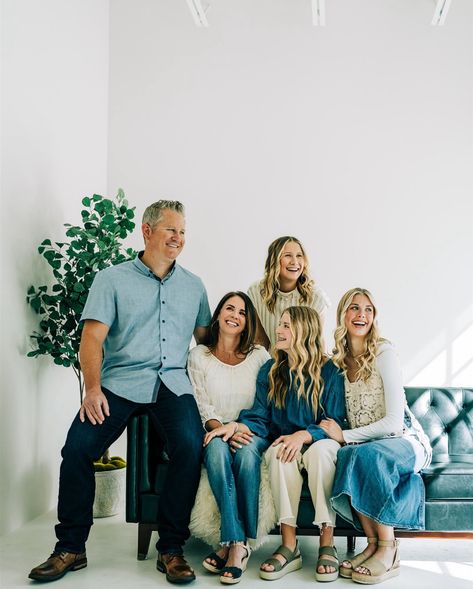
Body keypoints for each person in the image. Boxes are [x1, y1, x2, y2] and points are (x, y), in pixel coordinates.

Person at [28, 200, 211, 585]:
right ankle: (71, 548)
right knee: (77, 448)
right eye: (170, 230)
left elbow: (208, 342)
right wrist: (92, 389)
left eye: (182, 231)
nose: (178, 238)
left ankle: (171, 548)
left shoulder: (194, 286)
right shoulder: (111, 279)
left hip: (173, 384)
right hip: (119, 384)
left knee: (190, 447)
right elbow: (91, 338)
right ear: (147, 231)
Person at [205, 306, 346, 582]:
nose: (278, 331)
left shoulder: (330, 370)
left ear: (304, 331)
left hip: (321, 439)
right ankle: (289, 546)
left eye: (286, 326)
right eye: (280, 324)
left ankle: (327, 543)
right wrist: (237, 425)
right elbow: (261, 417)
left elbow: (334, 421)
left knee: (320, 455)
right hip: (285, 440)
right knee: (279, 452)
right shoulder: (271, 370)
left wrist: (304, 435)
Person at [320, 288, 432, 585]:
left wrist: (344, 434)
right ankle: (371, 543)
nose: (362, 315)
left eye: (368, 309)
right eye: (354, 308)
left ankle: (389, 547)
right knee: (347, 455)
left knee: (366, 454)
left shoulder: (384, 352)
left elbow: (395, 422)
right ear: (343, 315)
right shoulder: (339, 363)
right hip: (370, 444)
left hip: (406, 440)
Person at [187, 291, 271, 584]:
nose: (235, 315)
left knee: (248, 457)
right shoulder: (199, 355)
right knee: (215, 451)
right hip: (215, 427)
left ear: (248, 322)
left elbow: (266, 403)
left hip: (252, 430)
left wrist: (238, 427)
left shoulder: (260, 356)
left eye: (242, 312)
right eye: (229, 308)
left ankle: (233, 545)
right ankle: (237, 544)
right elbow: (200, 401)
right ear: (218, 314)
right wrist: (220, 428)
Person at [247, 236, 330, 349]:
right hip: (271, 362)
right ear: (274, 260)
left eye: (299, 256)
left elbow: (317, 344)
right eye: (287, 255)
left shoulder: (316, 298)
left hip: (304, 363)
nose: (295, 262)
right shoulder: (256, 291)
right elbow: (260, 341)